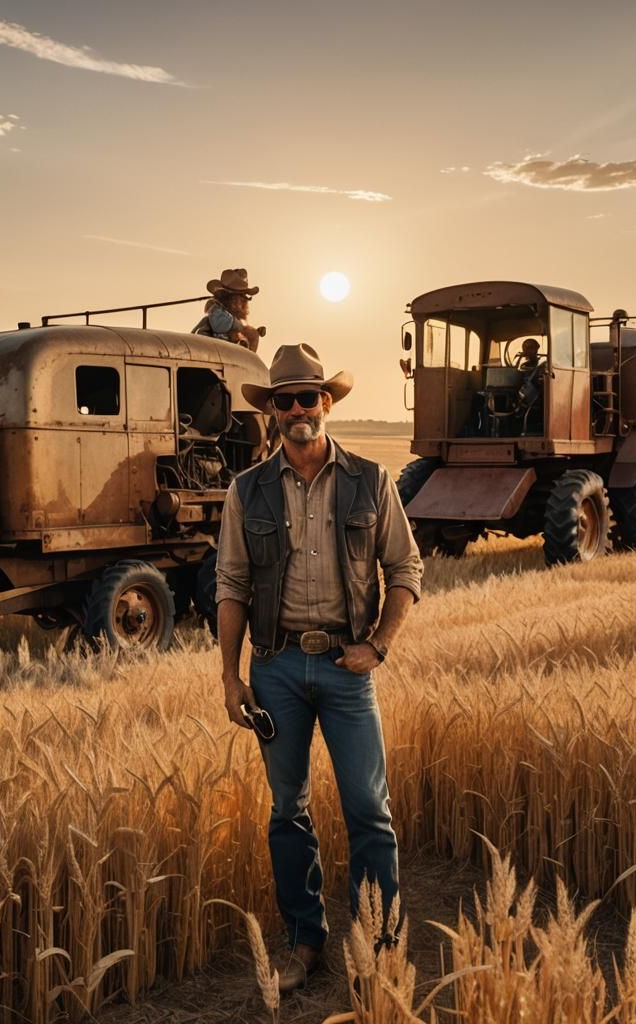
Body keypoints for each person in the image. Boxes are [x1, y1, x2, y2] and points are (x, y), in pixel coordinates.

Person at [215, 344, 424, 993]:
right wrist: (230, 675)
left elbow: (406, 568)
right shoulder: (246, 490)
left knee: (369, 811)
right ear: (273, 411)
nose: (297, 409)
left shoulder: (370, 480)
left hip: (345, 668)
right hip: (275, 668)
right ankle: (305, 943)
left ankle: (379, 948)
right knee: (288, 812)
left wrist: (378, 647)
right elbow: (231, 583)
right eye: (285, 401)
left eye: (308, 397)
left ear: (326, 403)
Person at [191, 268, 266, 352]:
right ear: (227, 298)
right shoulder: (216, 311)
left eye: (243, 300)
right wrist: (243, 329)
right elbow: (220, 324)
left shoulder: (231, 321)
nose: (240, 303)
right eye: (238, 298)